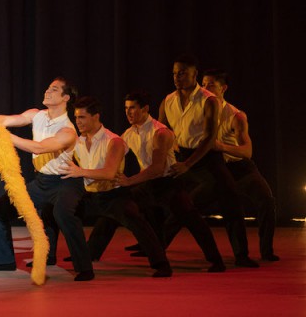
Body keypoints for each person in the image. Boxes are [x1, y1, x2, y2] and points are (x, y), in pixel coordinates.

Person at [0, 77, 94, 281]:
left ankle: (84, 267)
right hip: (42, 182)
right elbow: (6, 119)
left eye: (54, 89)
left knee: (62, 214)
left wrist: (1, 135)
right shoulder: (37, 115)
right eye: (48, 88)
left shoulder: (67, 130)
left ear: (66, 97)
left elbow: (38, 148)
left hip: (65, 182)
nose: (47, 91)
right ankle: (3, 260)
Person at [158, 54, 259, 268]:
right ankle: (156, 245)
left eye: (183, 72)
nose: (177, 77)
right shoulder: (168, 100)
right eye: (175, 73)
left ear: (195, 74)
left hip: (206, 157)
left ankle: (241, 255)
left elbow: (210, 138)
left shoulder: (208, 100)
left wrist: (188, 164)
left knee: (230, 198)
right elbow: (162, 132)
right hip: (182, 154)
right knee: (178, 202)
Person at [58, 96, 173, 277]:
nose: (77, 121)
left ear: (96, 117)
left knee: (135, 220)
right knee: (58, 211)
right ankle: (81, 257)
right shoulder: (77, 142)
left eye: (82, 117)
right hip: (90, 195)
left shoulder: (114, 141)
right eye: (76, 117)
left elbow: (109, 173)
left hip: (114, 196)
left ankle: (161, 263)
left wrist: (80, 171)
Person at [115, 91, 226, 272]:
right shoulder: (128, 134)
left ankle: (216, 260)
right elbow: (114, 155)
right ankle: (158, 260)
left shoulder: (159, 132)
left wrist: (129, 181)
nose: (128, 113)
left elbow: (158, 168)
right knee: (121, 207)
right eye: (126, 109)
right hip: (149, 183)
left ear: (145, 109)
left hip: (169, 182)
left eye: (132, 108)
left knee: (192, 219)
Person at [202, 69, 279, 261]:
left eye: (210, 85)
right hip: (216, 169)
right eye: (203, 84)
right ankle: (155, 248)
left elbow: (246, 152)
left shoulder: (235, 115)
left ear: (223, 88)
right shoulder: (198, 112)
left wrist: (219, 146)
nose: (205, 88)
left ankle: (266, 250)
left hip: (240, 167)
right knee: (186, 205)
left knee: (266, 202)